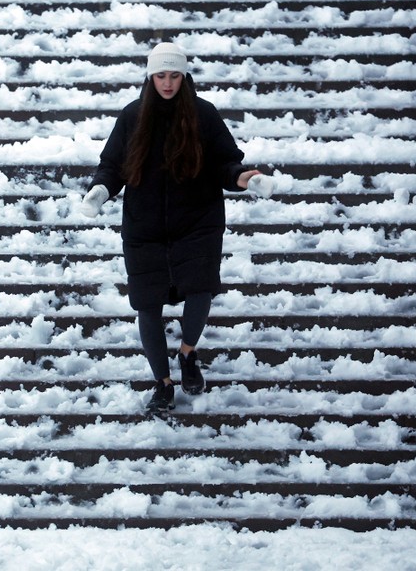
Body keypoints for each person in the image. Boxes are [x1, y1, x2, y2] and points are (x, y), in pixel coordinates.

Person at [79, 42, 274, 413]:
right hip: (144, 227)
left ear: (184, 77)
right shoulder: (132, 117)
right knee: (147, 306)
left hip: (198, 221)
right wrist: (101, 190)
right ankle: (163, 383)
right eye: (160, 76)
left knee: (200, 290)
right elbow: (113, 165)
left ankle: (187, 354)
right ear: (150, 77)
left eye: (174, 75)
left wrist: (242, 178)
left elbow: (225, 163)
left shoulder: (203, 115)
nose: (167, 83)